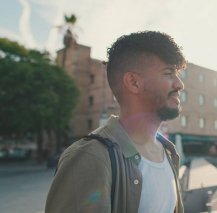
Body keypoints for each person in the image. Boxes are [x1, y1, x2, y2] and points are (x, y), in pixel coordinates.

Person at [45, 31, 187, 213]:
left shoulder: (168, 152)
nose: (180, 84)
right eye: (168, 73)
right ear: (133, 82)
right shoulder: (89, 157)